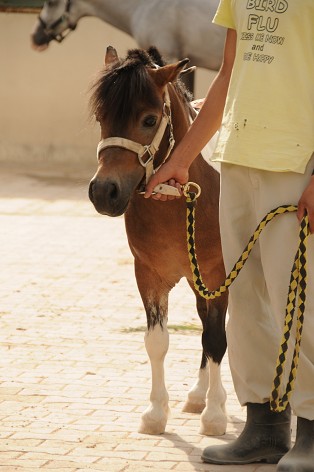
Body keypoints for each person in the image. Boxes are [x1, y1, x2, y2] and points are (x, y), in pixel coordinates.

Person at [144, 1, 314, 470]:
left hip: (297, 160)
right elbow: (228, 76)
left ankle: (313, 426)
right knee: (247, 299)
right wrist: (180, 159)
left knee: (300, 299)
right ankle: (264, 426)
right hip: (239, 154)